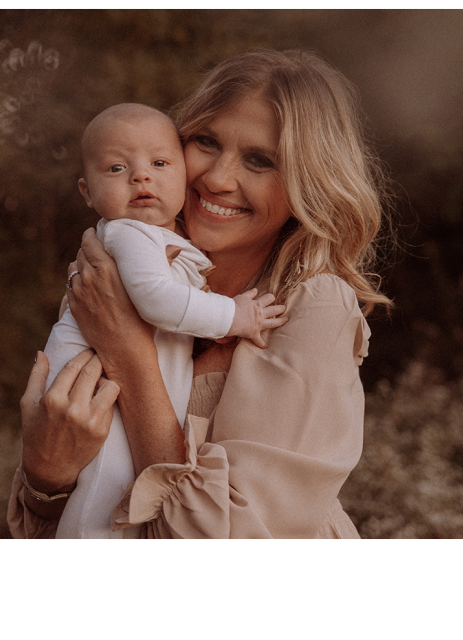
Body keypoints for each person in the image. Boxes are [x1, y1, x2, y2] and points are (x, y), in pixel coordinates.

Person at [10, 49, 390, 538]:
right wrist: (46, 473)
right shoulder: (136, 270)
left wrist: (130, 353)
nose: (216, 178)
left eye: (260, 160)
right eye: (206, 142)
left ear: (306, 183)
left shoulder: (312, 307)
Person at [44, 103, 286, 538]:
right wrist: (236, 316)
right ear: (87, 191)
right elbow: (157, 300)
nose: (141, 176)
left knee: (117, 485)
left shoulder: (160, 238)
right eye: (117, 168)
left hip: (110, 383)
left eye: (159, 163)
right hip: (96, 387)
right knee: (109, 483)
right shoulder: (131, 233)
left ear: (181, 175)